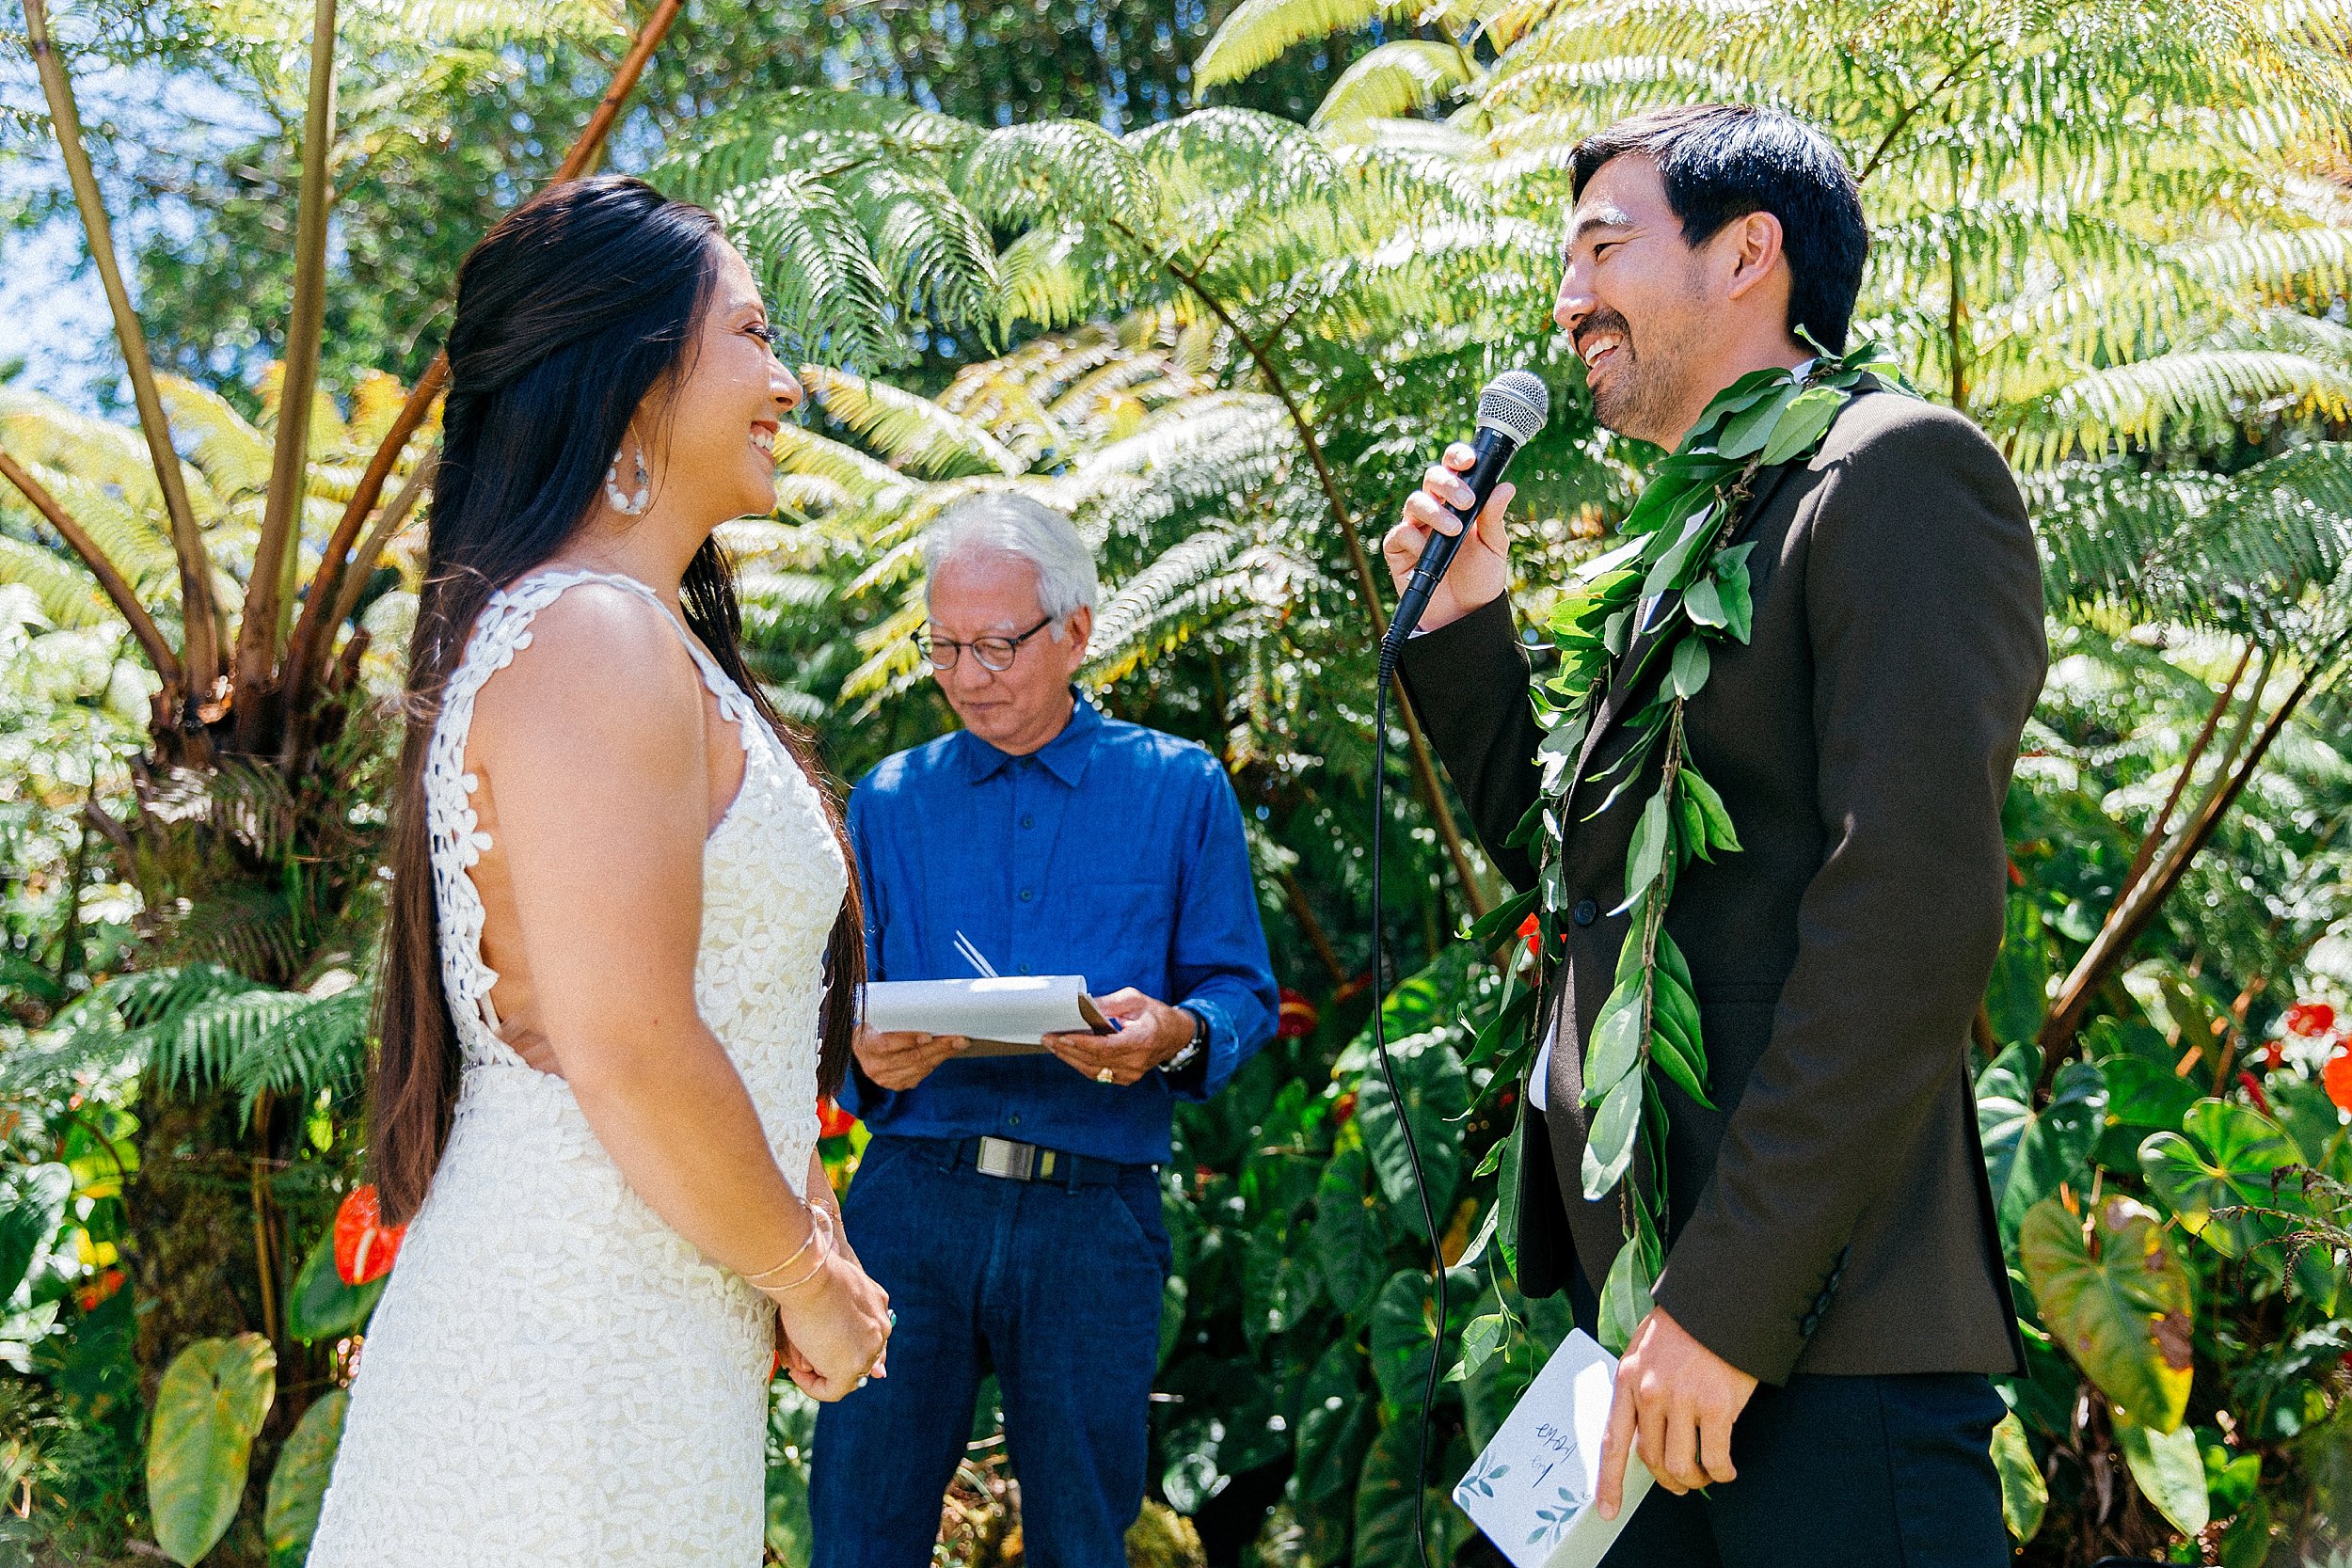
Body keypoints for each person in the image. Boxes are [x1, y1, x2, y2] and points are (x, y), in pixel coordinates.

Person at [1384, 105, 2045, 1566]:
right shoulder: (1695, 535)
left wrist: (1726, 1307)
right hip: (1633, 1344)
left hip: (1811, 1344)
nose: (1569, 299)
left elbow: (1908, 921)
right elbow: (1586, 877)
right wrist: (1463, 629)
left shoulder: (1894, 476)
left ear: (1751, 253)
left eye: (1603, 246)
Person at [309, 176, 892, 1568]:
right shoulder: (594, 638)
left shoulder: (625, 635)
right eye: (751, 334)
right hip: (571, 1339)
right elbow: (627, 1039)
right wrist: (810, 1282)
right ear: (638, 377)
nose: (788, 381)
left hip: (640, 1317)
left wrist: (798, 1225)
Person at [807, 494, 1279, 1568]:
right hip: (911, 1203)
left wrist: (1169, 1031)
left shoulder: (1177, 787)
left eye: (996, 644)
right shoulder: (888, 800)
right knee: (859, 1524)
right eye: (945, 646)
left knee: (1082, 1535)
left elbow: (1241, 995)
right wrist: (864, 1059)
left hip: (1091, 1217)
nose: (968, 674)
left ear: (1074, 629)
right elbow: (837, 1013)